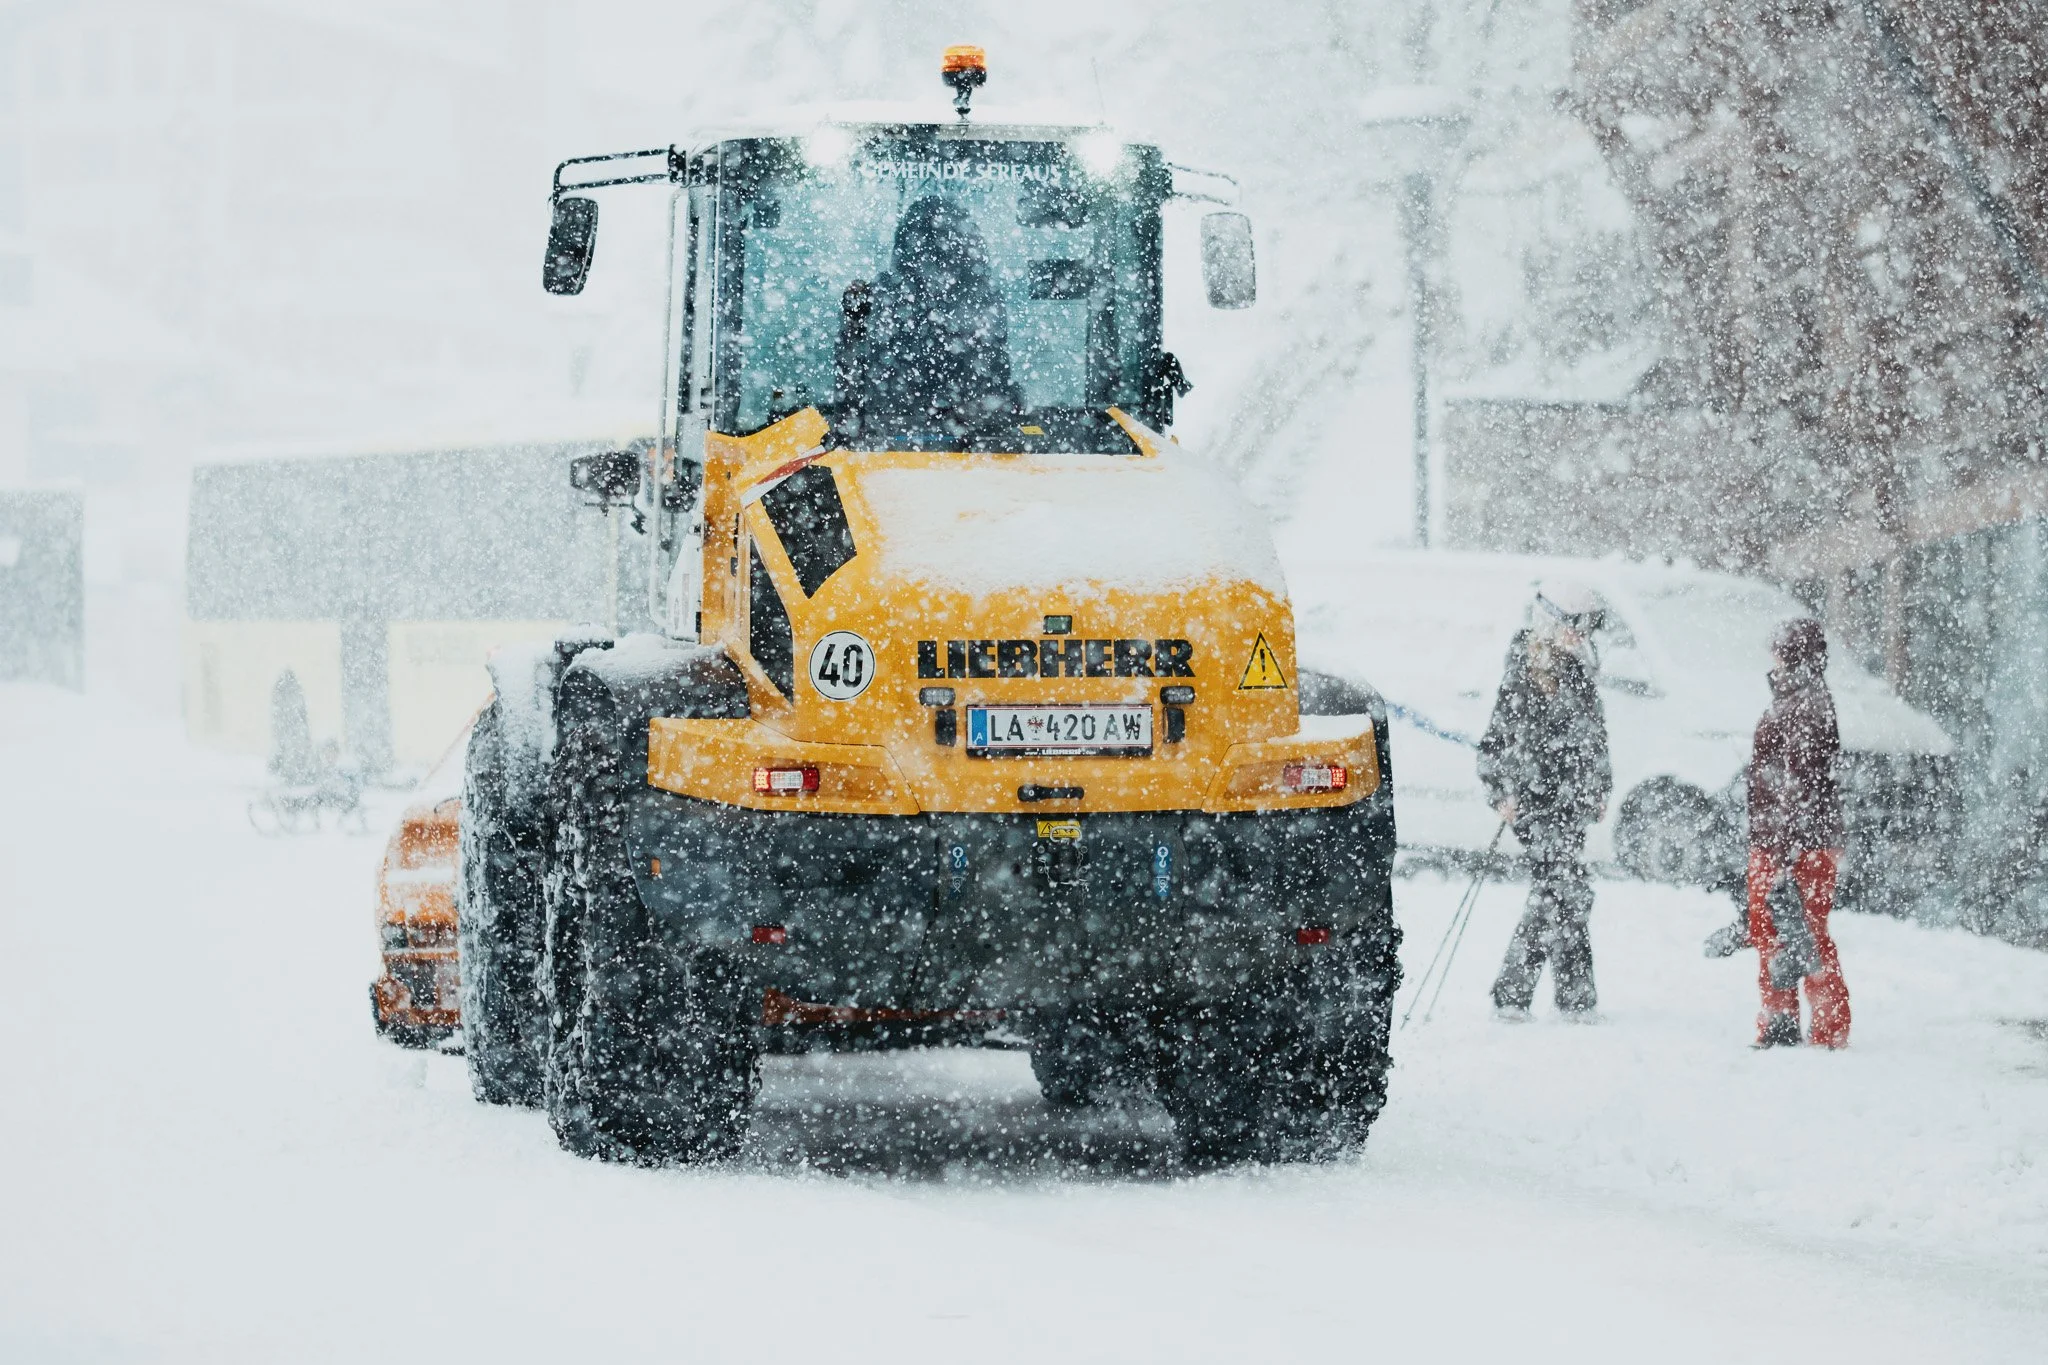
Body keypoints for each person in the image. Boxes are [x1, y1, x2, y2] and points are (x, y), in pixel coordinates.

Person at [1480, 581, 1613, 1018]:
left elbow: (1593, 738)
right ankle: (1570, 997)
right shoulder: (1523, 669)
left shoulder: (1580, 672)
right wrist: (1500, 790)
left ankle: (1523, 995)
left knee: (1558, 892)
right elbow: (1497, 740)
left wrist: (1599, 786)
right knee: (1565, 889)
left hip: (1571, 803)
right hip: (1535, 801)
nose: (1582, 633)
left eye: (1588, 625)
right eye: (1577, 624)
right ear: (1552, 620)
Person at [835, 194, 1019, 441]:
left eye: (942, 255)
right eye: (926, 254)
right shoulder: (882, 296)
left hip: (920, 441)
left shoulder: (980, 300)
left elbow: (995, 384)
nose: (936, 271)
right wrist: (853, 324)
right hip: (896, 440)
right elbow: (854, 378)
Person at [1746, 617, 1851, 1048]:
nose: (1770, 656)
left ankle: (1822, 1026)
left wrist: (1786, 852)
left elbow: (1800, 787)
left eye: (1777, 649)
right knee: (1779, 928)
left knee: (1800, 931)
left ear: (1790, 656)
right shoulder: (1796, 700)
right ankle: (1783, 1021)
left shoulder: (1805, 706)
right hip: (1786, 840)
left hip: (1794, 844)